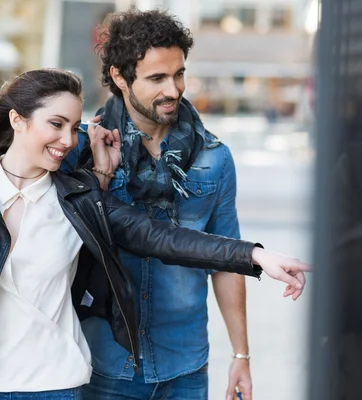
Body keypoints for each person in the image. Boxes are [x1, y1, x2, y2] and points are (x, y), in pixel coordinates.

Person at [0, 69, 309, 400]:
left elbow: (163, 238)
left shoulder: (79, 199)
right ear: (17, 120)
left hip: (60, 385)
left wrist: (255, 256)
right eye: (56, 124)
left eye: (74, 127)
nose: (67, 140)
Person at [60, 9, 307, 400]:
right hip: (102, 363)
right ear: (121, 79)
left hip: (186, 367)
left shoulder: (214, 158)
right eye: (157, 78)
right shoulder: (82, 149)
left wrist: (241, 353)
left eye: (178, 74)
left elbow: (225, 262)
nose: (174, 90)